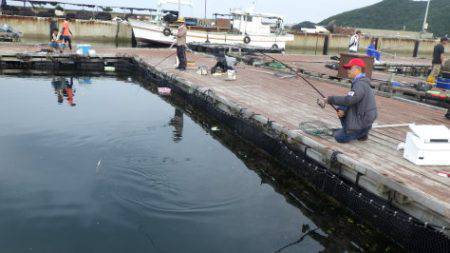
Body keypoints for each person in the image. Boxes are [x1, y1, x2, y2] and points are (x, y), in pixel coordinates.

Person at [321, 58, 378, 143]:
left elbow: (349, 100)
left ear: (357, 69)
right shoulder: (362, 82)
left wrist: (330, 99)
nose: (347, 70)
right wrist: (342, 110)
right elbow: (351, 100)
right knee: (341, 108)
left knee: (339, 137)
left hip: (362, 122)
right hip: (366, 122)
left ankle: (356, 132)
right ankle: (360, 133)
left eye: (349, 68)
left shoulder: (359, 84)